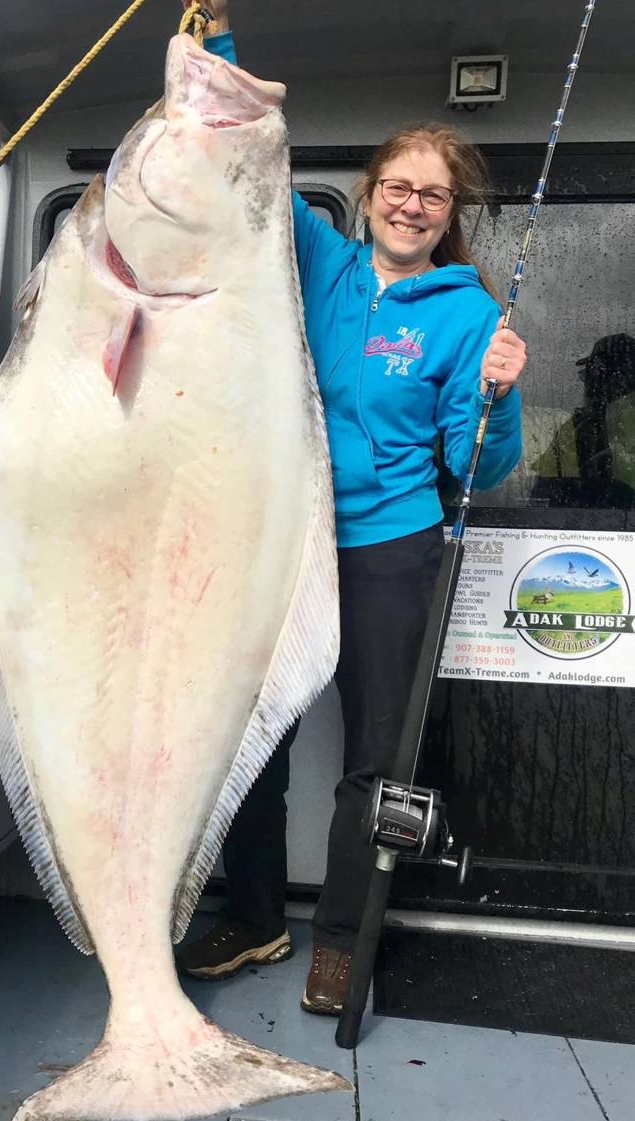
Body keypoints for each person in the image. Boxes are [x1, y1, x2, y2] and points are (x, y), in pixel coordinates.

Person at [177, 1, 527, 1014]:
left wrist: (499, 397)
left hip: (390, 550)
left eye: (432, 195)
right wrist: (216, 48)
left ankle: (342, 940)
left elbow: (482, 465)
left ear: (448, 212)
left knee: (371, 764)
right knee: (255, 738)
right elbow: (246, 159)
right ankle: (251, 919)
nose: (412, 204)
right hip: (286, 546)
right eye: (398, 187)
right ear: (369, 194)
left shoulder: (469, 315)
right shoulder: (323, 263)